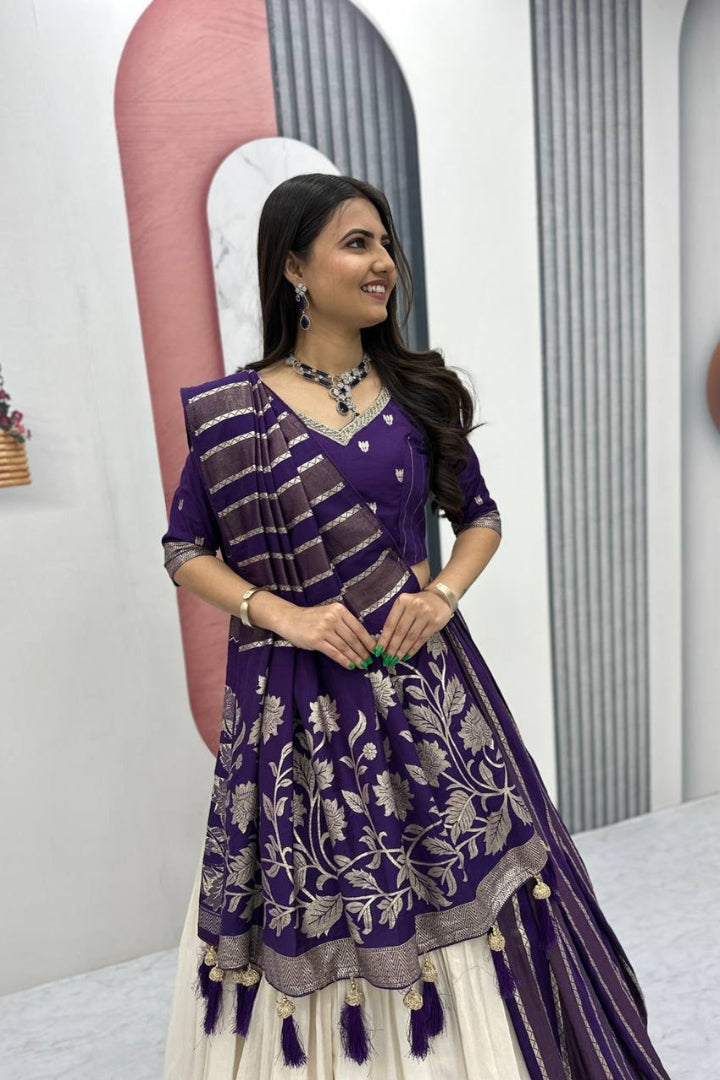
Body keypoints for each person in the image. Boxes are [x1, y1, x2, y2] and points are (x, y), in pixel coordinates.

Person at [160, 174, 671, 1079]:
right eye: (357, 243)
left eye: (385, 244)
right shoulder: (231, 417)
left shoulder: (416, 389)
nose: (383, 263)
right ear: (293, 266)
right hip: (299, 711)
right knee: (332, 893)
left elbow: (480, 515)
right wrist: (286, 617)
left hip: (426, 695)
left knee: (468, 880)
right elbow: (185, 549)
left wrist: (442, 596)